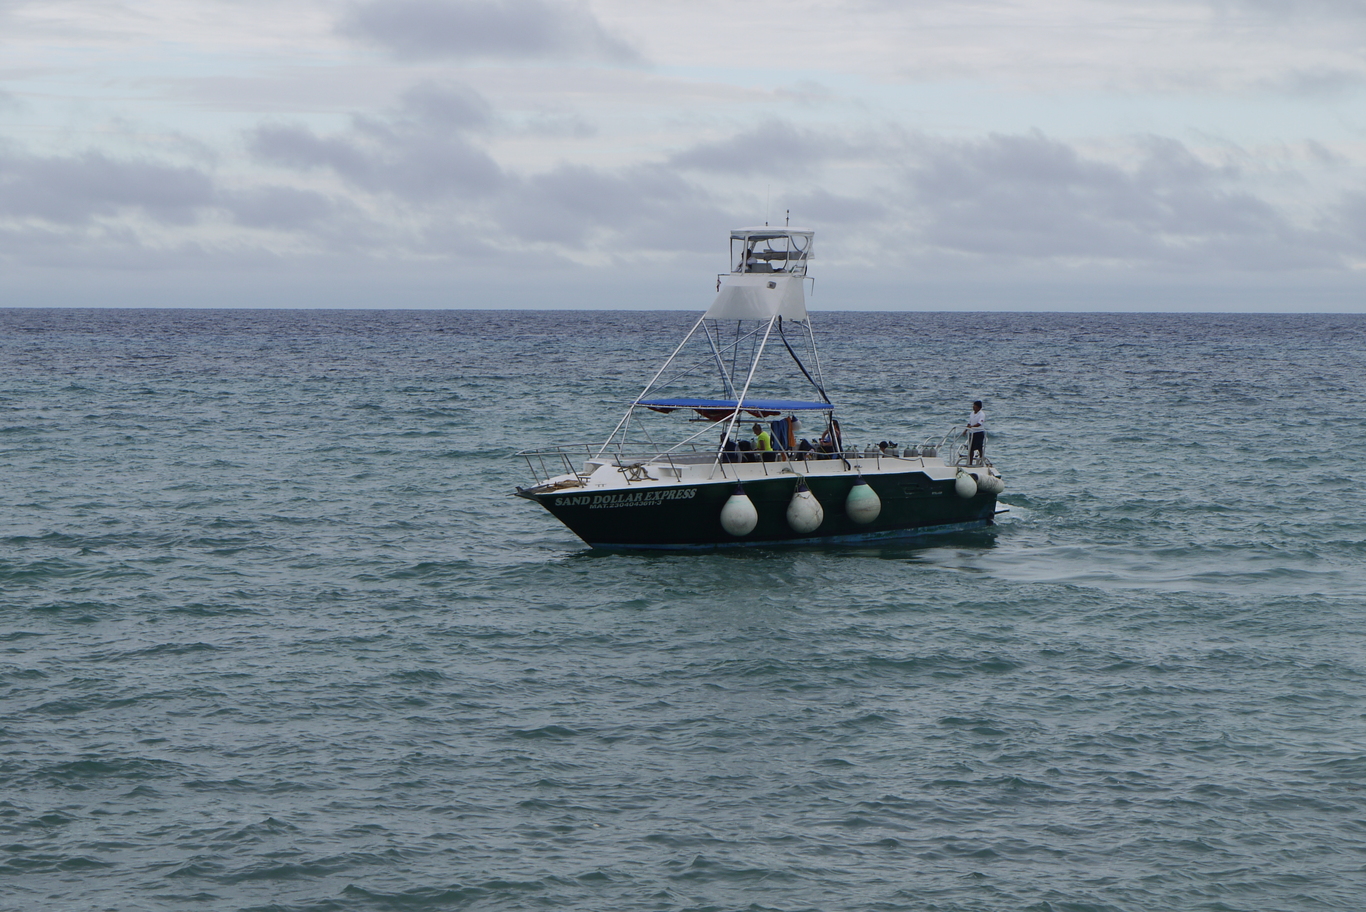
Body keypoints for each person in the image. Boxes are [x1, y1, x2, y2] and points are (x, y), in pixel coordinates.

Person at [966, 400, 986, 465]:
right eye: (973, 405)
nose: (973, 407)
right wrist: (965, 430)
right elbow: (969, 423)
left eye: (975, 406)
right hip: (972, 433)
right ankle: (970, 462)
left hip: (979, 432)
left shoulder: (982, 414)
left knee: (979, 448)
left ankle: (981, 461)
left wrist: (972, 426)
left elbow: (979, 423)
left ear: (979, 407)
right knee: (970, 448)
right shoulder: (972, 413)